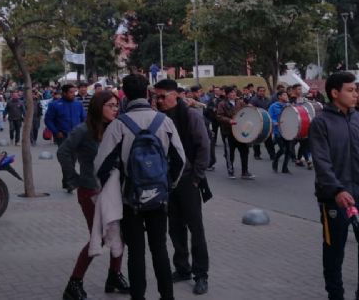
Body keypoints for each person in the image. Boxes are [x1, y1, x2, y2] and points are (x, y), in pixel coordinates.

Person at [93, 74, 186, 300]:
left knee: (136, 252)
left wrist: (111, 188)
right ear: (148, 93)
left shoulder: (118, 125)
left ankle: (138, 297)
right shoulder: (164, 121)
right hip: (159, 199)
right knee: (160, 250)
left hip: (130, 200)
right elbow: (180, 160)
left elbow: (100, 166)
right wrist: (167, 185)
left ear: (124, 95)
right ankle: (167, 296)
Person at [310, 71, 359, 300]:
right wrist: (337, 190)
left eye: (356, 91)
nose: (356, 95)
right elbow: (322, 163)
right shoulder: (321, 123)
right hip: (334, 198)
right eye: (350, 91)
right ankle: (335, 294)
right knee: (334, 250)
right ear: (334, 93)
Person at [58, 91, 129, 300]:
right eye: (110, 105)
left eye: (117, 105)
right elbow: (63, 152)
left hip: (114, 190)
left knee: (120, 236)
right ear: (99, 107)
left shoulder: (116, 128)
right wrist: (74, 178)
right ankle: (74, 284)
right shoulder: (83, 130)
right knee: (97, 238)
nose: (115, 109)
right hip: (91, 191)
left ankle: (114, 276)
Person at [154, 79, 211, 295]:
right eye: (156, 96)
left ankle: (201, 274)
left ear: (175, 94)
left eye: (163, 96)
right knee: (175, 227)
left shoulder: (191, 116)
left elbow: (204, 147)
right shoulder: (158, 118)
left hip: (188, 180)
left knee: (196, 229)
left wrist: (196, 177)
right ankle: (182, 268)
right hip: (167, 181)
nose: (159, 100)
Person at [45, 84, 87, 191]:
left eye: (74, 92)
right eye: (71, 92)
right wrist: (56, 131)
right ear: (64, 93)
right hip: (62, 136)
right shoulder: (55, 105)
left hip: (77, 136)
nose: (74, 94)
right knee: (66, 159)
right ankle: (70, 182)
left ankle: (66, 181)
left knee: (73, 159)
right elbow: (48, 120)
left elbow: (84, 119)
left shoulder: (78, 104)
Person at [216, 86, 253, 179]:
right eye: (231, 93)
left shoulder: (240, 102)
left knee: (244, 151)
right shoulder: (222, 104)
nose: (233, 94)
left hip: (240, 131)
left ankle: (245, 172)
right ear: (227, 94)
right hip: (228, 132)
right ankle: (230, 170)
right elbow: (219, 116)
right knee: (230, 152)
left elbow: (246, 112)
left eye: (234, 92)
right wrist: (229, 121)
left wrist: (250, 108)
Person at [269, 91, 294, 174]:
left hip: (288, 130)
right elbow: (269, 117)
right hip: (278, 131)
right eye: (284, 95)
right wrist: (274, 122)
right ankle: (275, 161)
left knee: (289, 150)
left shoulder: (289, 106)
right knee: (283, 149)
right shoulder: (273, 106)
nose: (286, 96)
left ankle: (285, 168)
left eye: (287, 95)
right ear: (279, 97)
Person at [250, 86, 276, 160]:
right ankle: (257, 154)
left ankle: (272, 155)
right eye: (260, 91)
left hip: (267, 122)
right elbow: (251, 109)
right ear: (257, 91)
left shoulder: (268, 99)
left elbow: (270, 109)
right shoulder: (254, 100)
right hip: (257, 121)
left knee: (268, 139)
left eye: (263, 91)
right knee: (257, 138)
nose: (262, 92)